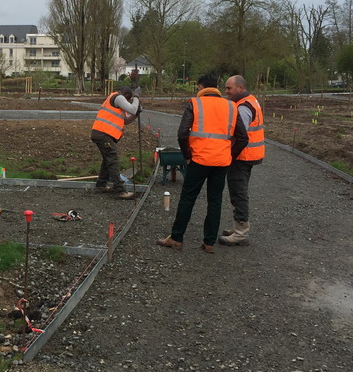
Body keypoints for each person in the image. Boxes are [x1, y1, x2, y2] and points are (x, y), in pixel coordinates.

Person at [157, 73, 248, 253]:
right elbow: (243, 138)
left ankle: (176, 238)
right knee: (215, 201)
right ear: (216, 87)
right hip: (221, 162)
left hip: (199, 160)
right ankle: (209, 242)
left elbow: (182, 133)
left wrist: (187, 155)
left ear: (200, 87)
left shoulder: (195, 103)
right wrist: (229, 156)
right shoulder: (231, 106)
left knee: (188, 198)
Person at [219, 75, 265, 246]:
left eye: (229, 88)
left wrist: (229, 153)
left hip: (241, 156)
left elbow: (239, 134)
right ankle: (238, 226)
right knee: (239, 191)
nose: (226, 91)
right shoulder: (249, 101)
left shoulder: (243, 107)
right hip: (248, 155)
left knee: (238, 192)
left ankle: (240, 232)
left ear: (240, 88)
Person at [91, 86, 142, 200]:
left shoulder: (115, 101)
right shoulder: (118, 98)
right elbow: (132, 109)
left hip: (101, 134)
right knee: (112, 160)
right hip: (103, 134)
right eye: (128, 100)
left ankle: (101, 185)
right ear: (126, 96)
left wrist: (136, 114)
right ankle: (120, 190)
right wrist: (136, 97)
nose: (127, 103)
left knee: (107, 160)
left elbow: (126, 121)